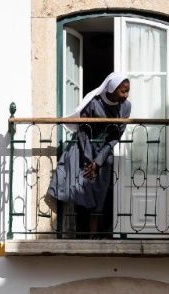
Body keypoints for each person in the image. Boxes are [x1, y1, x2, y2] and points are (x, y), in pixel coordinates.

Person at [45, 72, 131, 236]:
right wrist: (89, 159)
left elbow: (115, 137)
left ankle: (94, 234)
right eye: (123, 91)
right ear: (112, 89)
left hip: (105, 156)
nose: (126, 96)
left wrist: (97, 162)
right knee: (80, 190)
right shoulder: (93, 103)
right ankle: (79, 233)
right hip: (84, 151)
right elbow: (83, 133)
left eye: (128, 91)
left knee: (100, 195)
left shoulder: (126, 107)